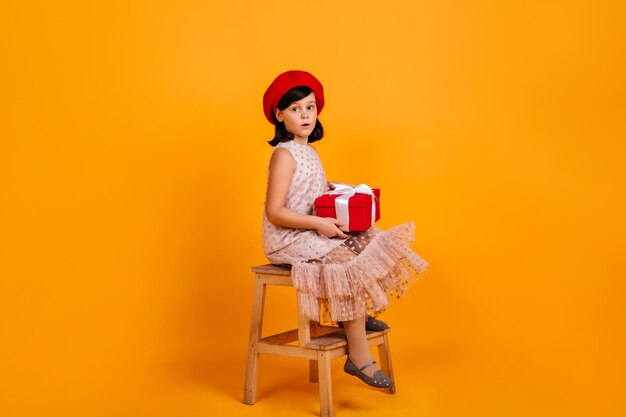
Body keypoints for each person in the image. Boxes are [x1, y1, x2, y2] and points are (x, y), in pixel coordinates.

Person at [262, 70, 428, 389]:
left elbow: (310, 193)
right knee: (345, 262)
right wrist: (319, 223)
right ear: (279, 115)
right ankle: (359, 356)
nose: (305, 114)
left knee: (367, 238)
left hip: (311, 228)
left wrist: (340, 194)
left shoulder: (309, 151)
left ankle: (357, 317)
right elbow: (276, 211)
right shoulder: (283, 155)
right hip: (287, 237)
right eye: (295, 109)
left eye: (310, 107)